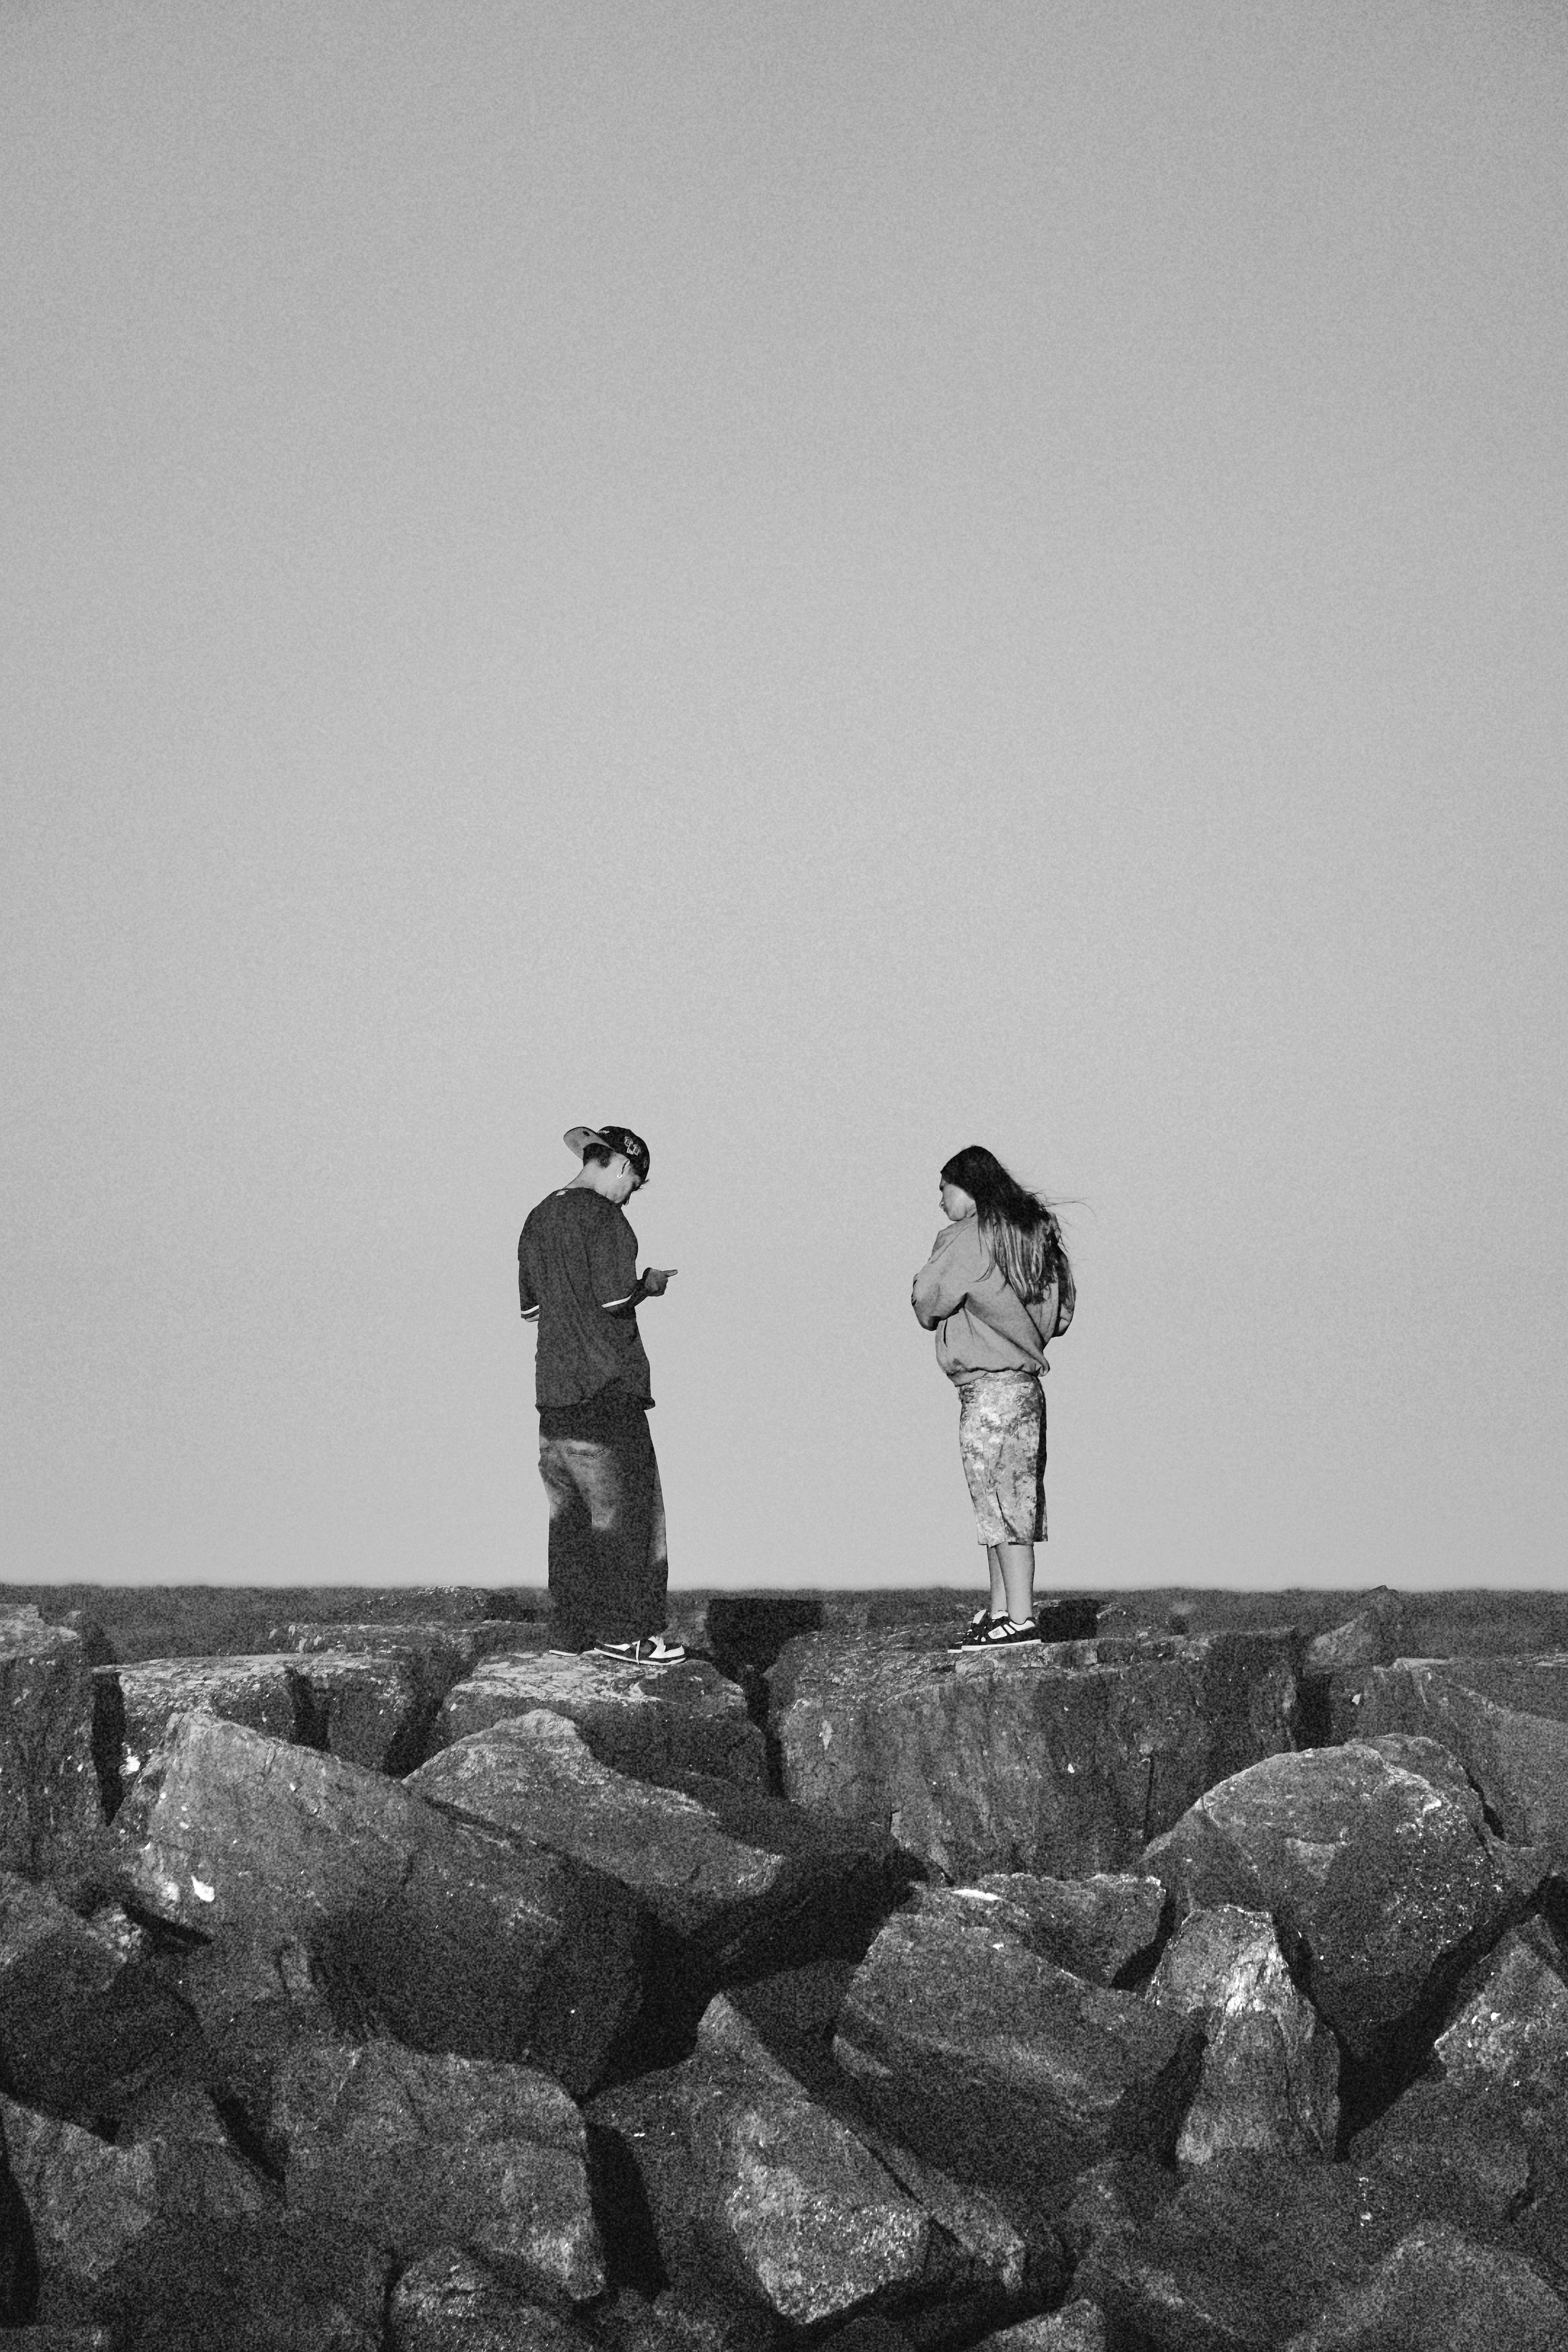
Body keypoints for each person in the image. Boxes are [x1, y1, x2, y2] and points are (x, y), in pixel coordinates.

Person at [517, 1124, 685, 1663]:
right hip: (606, 1390)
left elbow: (531, 1309)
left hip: (554, 1394)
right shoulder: (606, 1219)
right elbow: (616, 1300)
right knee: (628, 1516)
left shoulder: (538, 1217)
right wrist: (649, 1285)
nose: (631, 1192)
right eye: (633, 1181)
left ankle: (571, 1633)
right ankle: (625, 1633)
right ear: (618, 1166)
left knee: (567, 1523)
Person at [911, 1145, 1075, 1650]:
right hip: (1026, 1389)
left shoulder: (966, 1239)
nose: (940, 1200)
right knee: (1007, 1504)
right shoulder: (1035, 1236)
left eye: (944, 1188)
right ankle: (1002, 1609)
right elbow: (1063, 1314)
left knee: (1000, 1505)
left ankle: (1020, 1619)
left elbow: (927, 1303)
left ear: (967, 1187)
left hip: (987, 1389)